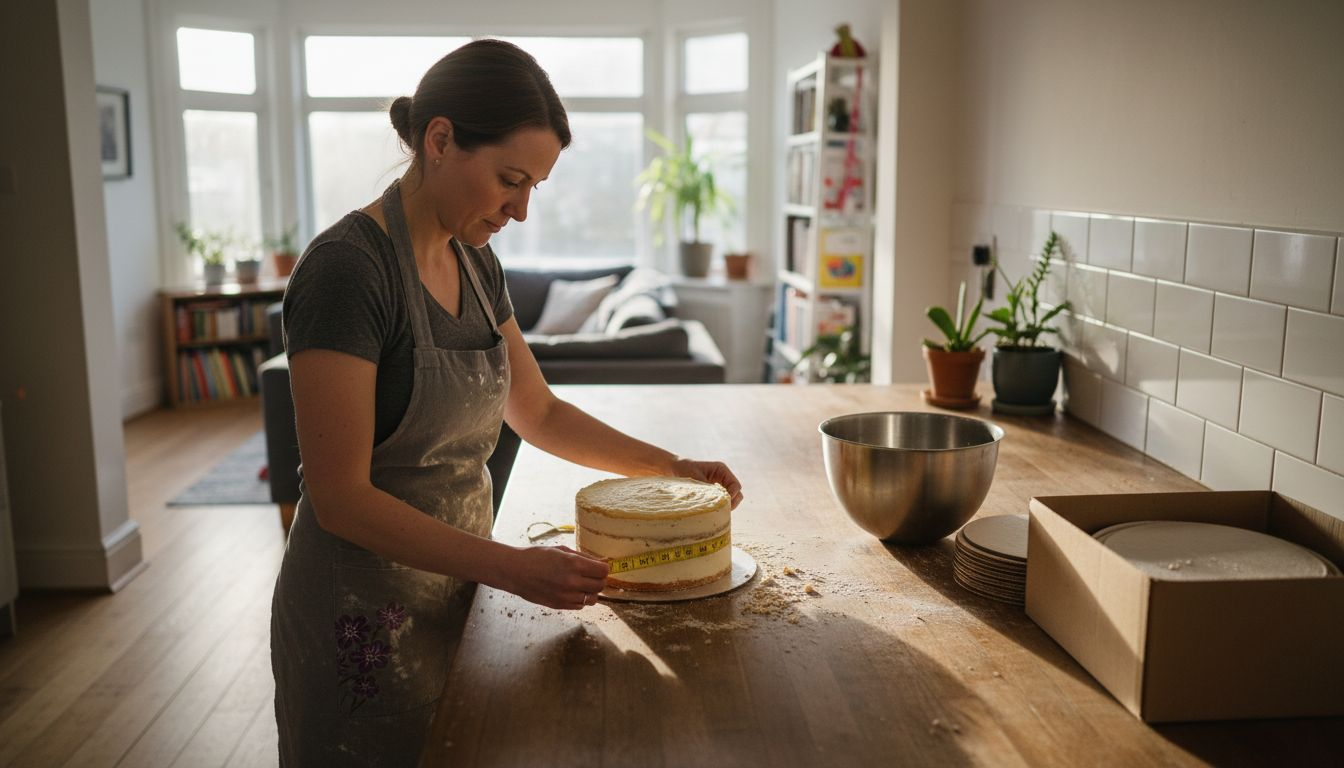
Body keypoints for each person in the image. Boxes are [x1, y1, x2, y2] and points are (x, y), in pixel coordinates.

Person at [269, 39, 742, 767]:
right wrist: (512, 567)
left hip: (456, 592)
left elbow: (539, 413)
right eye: (509, 180)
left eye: (535, 188)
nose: (520, 211)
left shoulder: (475, 259)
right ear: (439, 140)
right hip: (358, 620)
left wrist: (670, 466)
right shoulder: (348, 272)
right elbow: (339, 498)